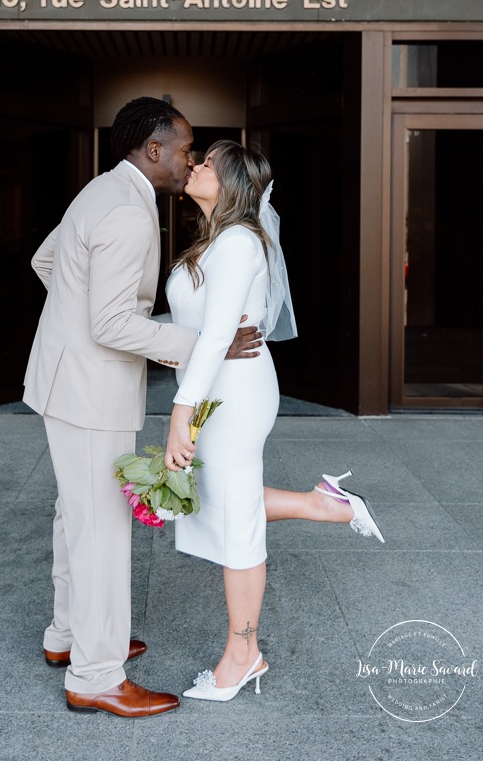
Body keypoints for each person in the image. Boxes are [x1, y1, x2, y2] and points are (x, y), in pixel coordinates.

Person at [23, 99, 262, 719]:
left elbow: (47, 262)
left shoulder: (101, 190)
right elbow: (110, 324)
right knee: (101, 528)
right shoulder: (130, 215)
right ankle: (97, 674)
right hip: (91, 388)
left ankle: (69, 636)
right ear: (153, 149)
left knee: (74, 514)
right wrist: (201, 346)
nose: (190, 160)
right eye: (185, 149)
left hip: (63, 380)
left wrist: (76, 321)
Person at [164, 140, 385, 702]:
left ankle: (243, 654)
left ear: (233, 183)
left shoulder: (238, 242)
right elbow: (196, 327)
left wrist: (179, 414)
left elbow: (216, 336)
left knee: (235, 519)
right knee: (222, 496)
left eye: (208, 162)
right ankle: (320, 504)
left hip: (234, 391)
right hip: (217, 382)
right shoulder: (214, 240)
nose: (195, 165)